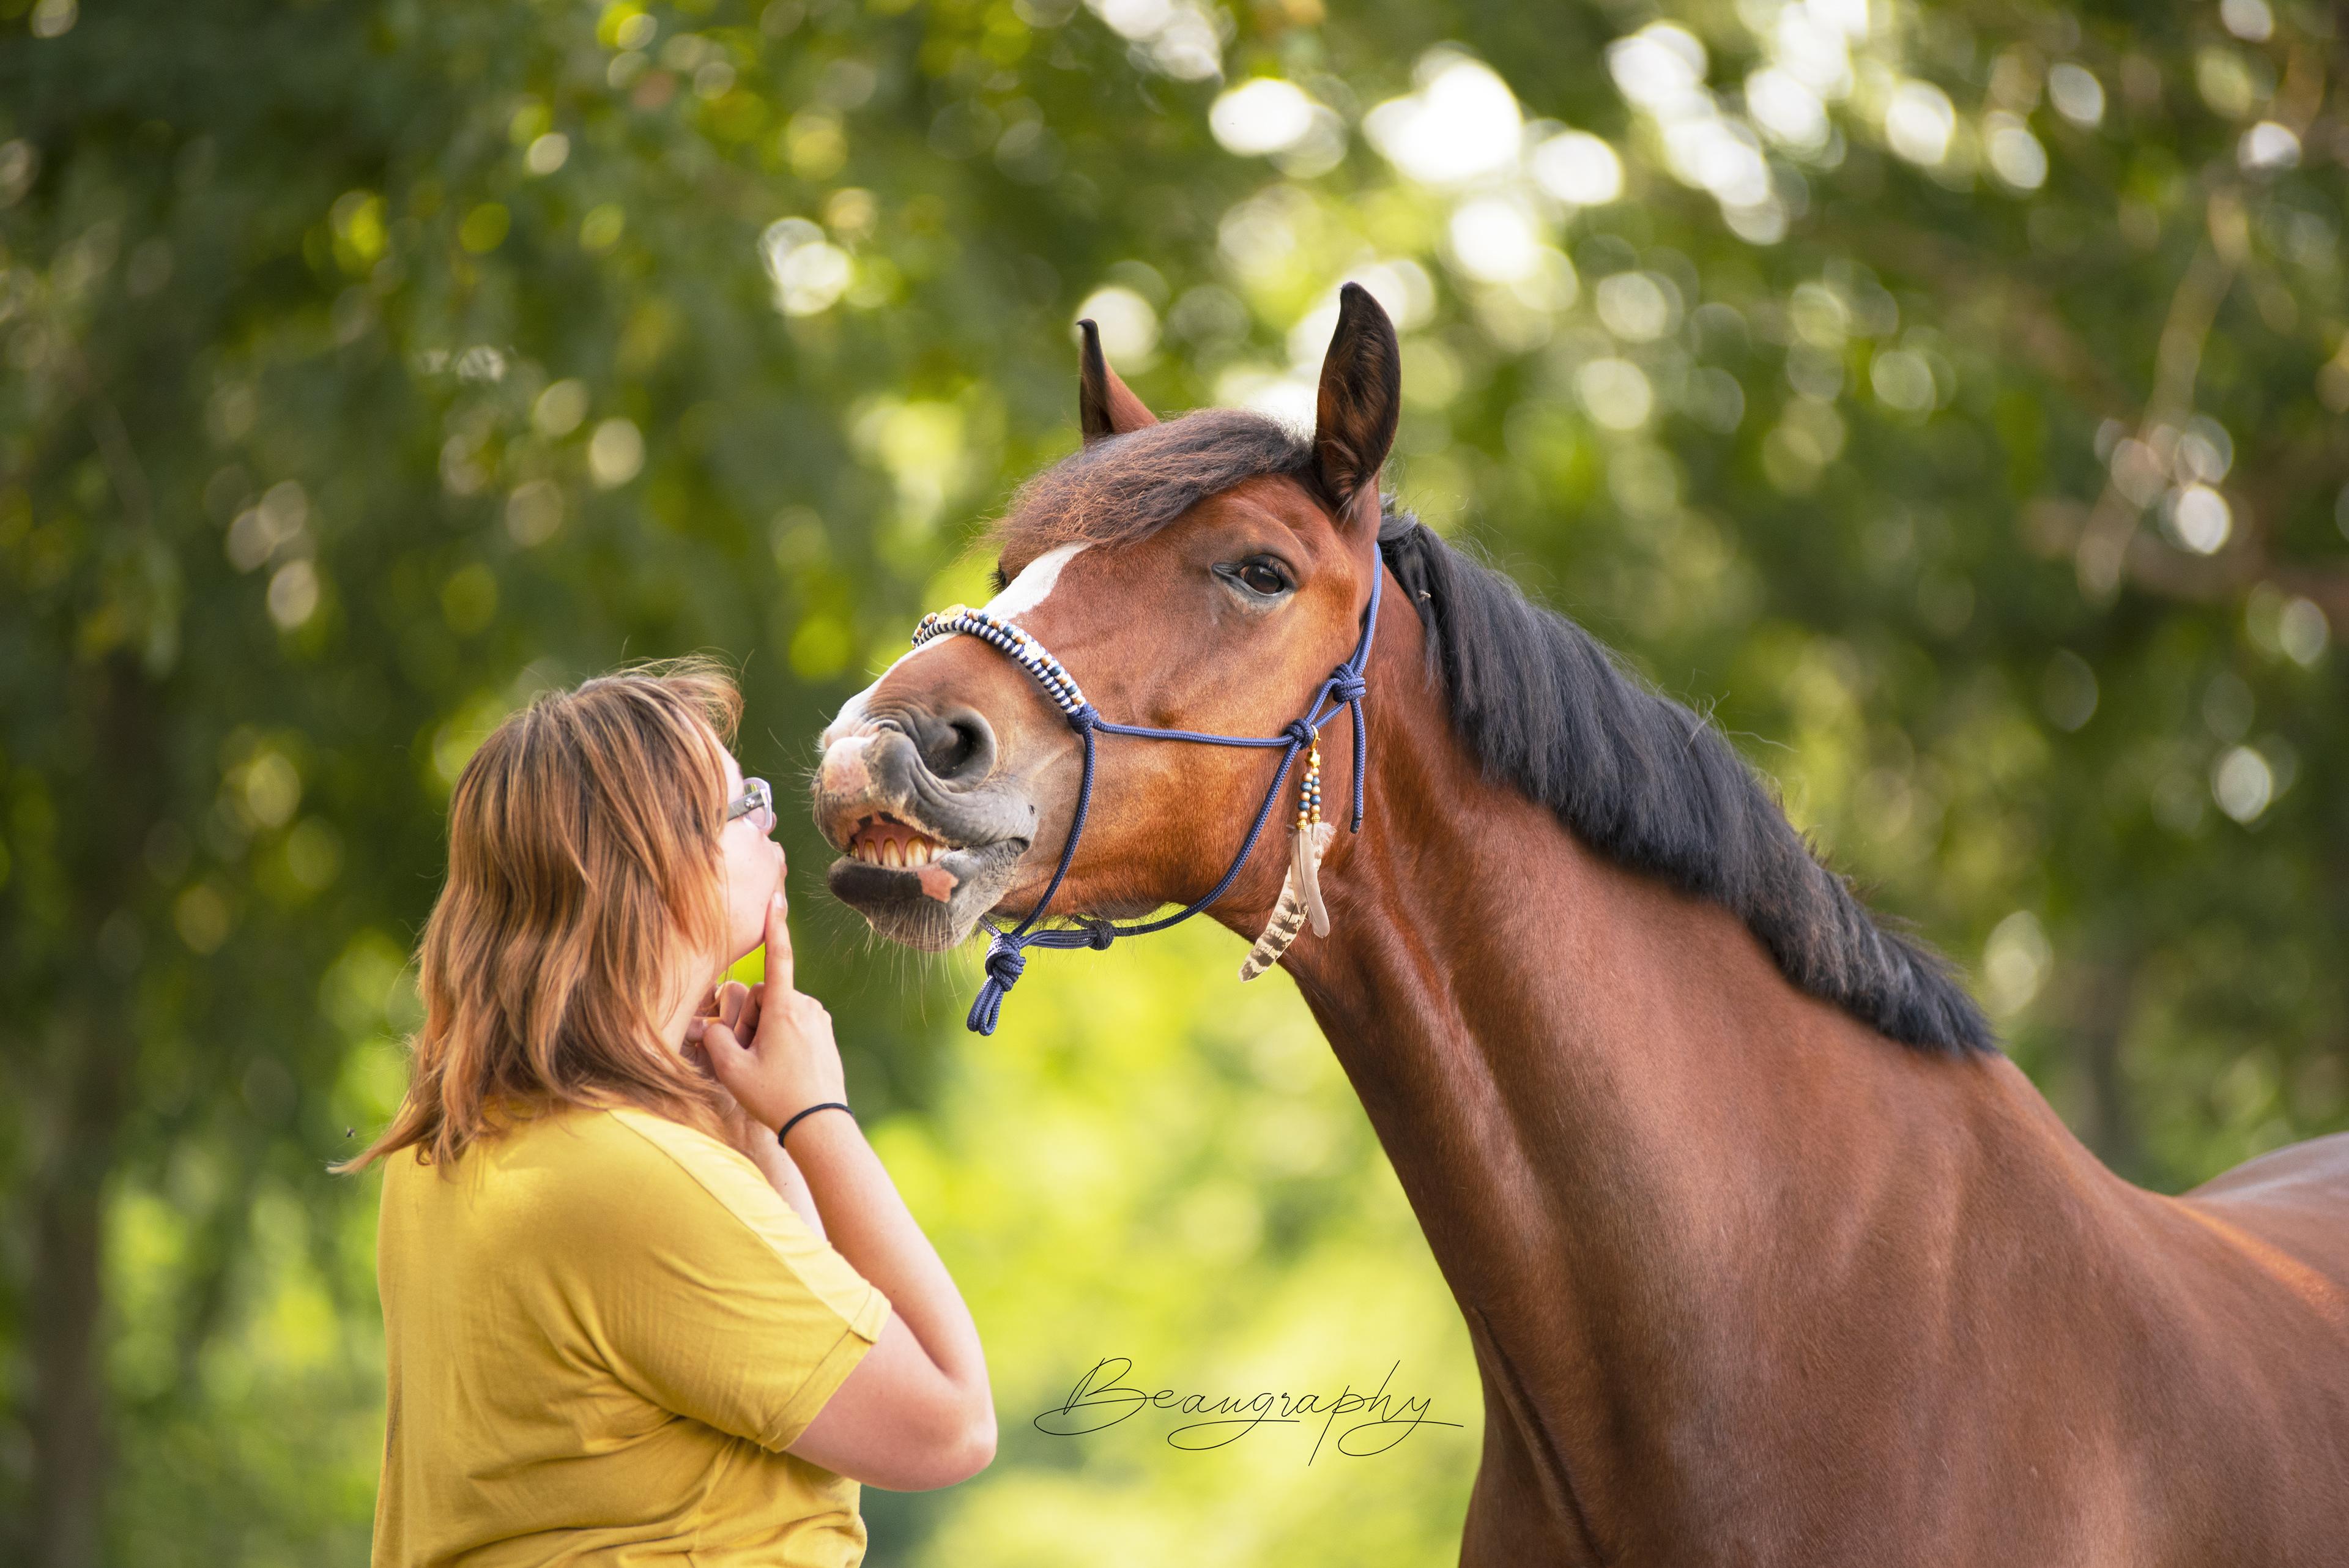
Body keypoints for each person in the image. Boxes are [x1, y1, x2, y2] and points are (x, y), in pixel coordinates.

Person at [341, 663, 993, 1566]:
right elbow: (951, 1426)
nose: (772, 819)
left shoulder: (461, 1147)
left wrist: (753, 1122)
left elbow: (811, 1356)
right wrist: (820, 1116)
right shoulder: (627, 1180)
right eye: (741, 805)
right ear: (652, 869)